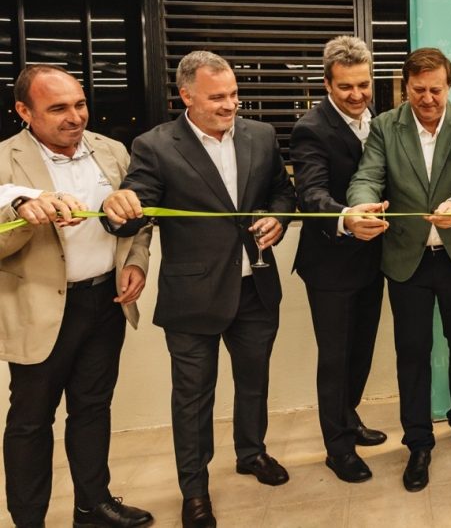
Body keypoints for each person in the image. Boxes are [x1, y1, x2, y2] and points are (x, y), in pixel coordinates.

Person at [102, 51, 296, 528]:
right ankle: (194, 490)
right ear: (186, 95)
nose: (230, 105)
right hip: (192, 296)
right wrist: (118, 208)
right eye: (217, 97)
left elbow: (282, 192)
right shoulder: (155, 145)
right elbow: (135, 208)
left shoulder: (261, 135)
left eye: (233, 94)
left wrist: (278, 218)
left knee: (254, 381)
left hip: (256, 286)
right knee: (192, 399)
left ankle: (252, 452)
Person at [0, 65, 154, 528]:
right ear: (24, 111)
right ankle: (29, 521)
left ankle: (93, 506)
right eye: (58, 108)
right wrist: (24, 212)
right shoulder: (5, 160)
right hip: (41, 309)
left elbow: (139, 219)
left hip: (104, 301)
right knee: (31, 422)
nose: (75, 117)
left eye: (80, 104)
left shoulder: (112, 150)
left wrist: (135, 262)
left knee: (92, 408)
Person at [345, 47, 451, 492]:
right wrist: (360, 206)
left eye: (436, 90)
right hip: (406, 260)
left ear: (450, 86)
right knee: (412, 352)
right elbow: (367, 177)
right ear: (404, 87)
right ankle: (418, 441)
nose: (427, 99)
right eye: (418, 90)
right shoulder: (384, 127)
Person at [290, 35, 387, 484]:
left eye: (363, 85)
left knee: (361, 352)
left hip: (373, 261)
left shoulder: (380, 122)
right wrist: (346, 217)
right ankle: (338, 448)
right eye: (346, 86)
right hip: (330, 266)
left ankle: (349, 417)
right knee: (335, 358)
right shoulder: (311, 128)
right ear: (327, 84)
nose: (356, 94)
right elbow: (311, 194)